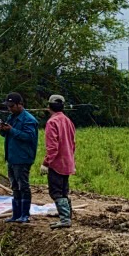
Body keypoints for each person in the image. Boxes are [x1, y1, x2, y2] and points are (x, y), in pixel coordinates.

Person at [0, 92, 39, 224]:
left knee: (23, 186)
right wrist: (3, 129)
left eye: (12, 106)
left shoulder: (29, 120)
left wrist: (12, 130)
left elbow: (29, 137)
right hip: (12, 157)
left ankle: (25, 214)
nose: (10, 108)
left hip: (23, 157)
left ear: (20, 104)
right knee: (14, 185)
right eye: (8, 106)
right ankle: (16, 214)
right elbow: (6, 135)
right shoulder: (11, 117)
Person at [43, 94, 76, 230]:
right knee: (64, 190)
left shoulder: (52, 122)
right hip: (67, 161)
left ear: (49, 106)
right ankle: (67, 214)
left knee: (56, 192)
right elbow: (73, 143)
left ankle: (65, 218)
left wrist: (46, 162)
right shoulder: (68, 120)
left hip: (57, 163)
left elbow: (53, 147)